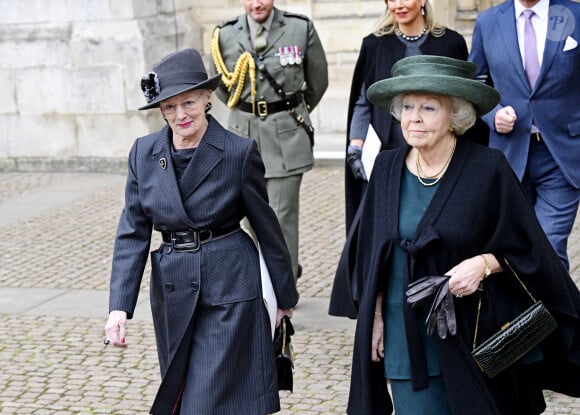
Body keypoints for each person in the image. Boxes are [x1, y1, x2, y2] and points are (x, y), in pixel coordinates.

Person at [332, 55, 580, 414]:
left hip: (477, 337)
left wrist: (483, 264)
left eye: (429, 107)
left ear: (456, 116)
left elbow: (531, 249)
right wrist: (375, 318)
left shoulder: (488, 169)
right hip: (408, 338)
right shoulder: (385, 168)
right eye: (407, 107)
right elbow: (373, 255)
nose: (413, 117)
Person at [103, 48, 299, 415]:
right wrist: (119, 307)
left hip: (229, 288)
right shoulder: (143, 153)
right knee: (183, 390)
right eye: (170, 107)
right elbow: (133, 230)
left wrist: (284, 298)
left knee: (205, 401)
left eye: (189, 102)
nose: (181, 115)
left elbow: (266, 227)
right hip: (173, 290)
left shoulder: (238, 152)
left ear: (208, 98)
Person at [208, 0, 329, 281]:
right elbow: (222, 88)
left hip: (286, 136)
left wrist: (289, 111)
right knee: (250, 214)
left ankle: (282, 286)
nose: (257, 3)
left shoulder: (300, 29)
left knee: (281, 215)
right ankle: (276, 267)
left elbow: (318, 82)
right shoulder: (224, 35)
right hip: (243, 135)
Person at [469, 0, 580, 271]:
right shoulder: (488, 22)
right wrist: (492, 114)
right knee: (515, 247)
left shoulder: (575, 15)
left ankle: (555, 313)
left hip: (561, 156)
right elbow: (476, 81)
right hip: (509, 156)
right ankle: (546, 312)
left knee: (548, 244)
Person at [344, 0, 470, 233]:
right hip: (389, 149)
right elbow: (363, 103)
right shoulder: (374, 45)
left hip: (439, 150)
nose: (398, 5)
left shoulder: (450, 43)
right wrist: (355, 148)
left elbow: (462, 102)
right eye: (391, 0)